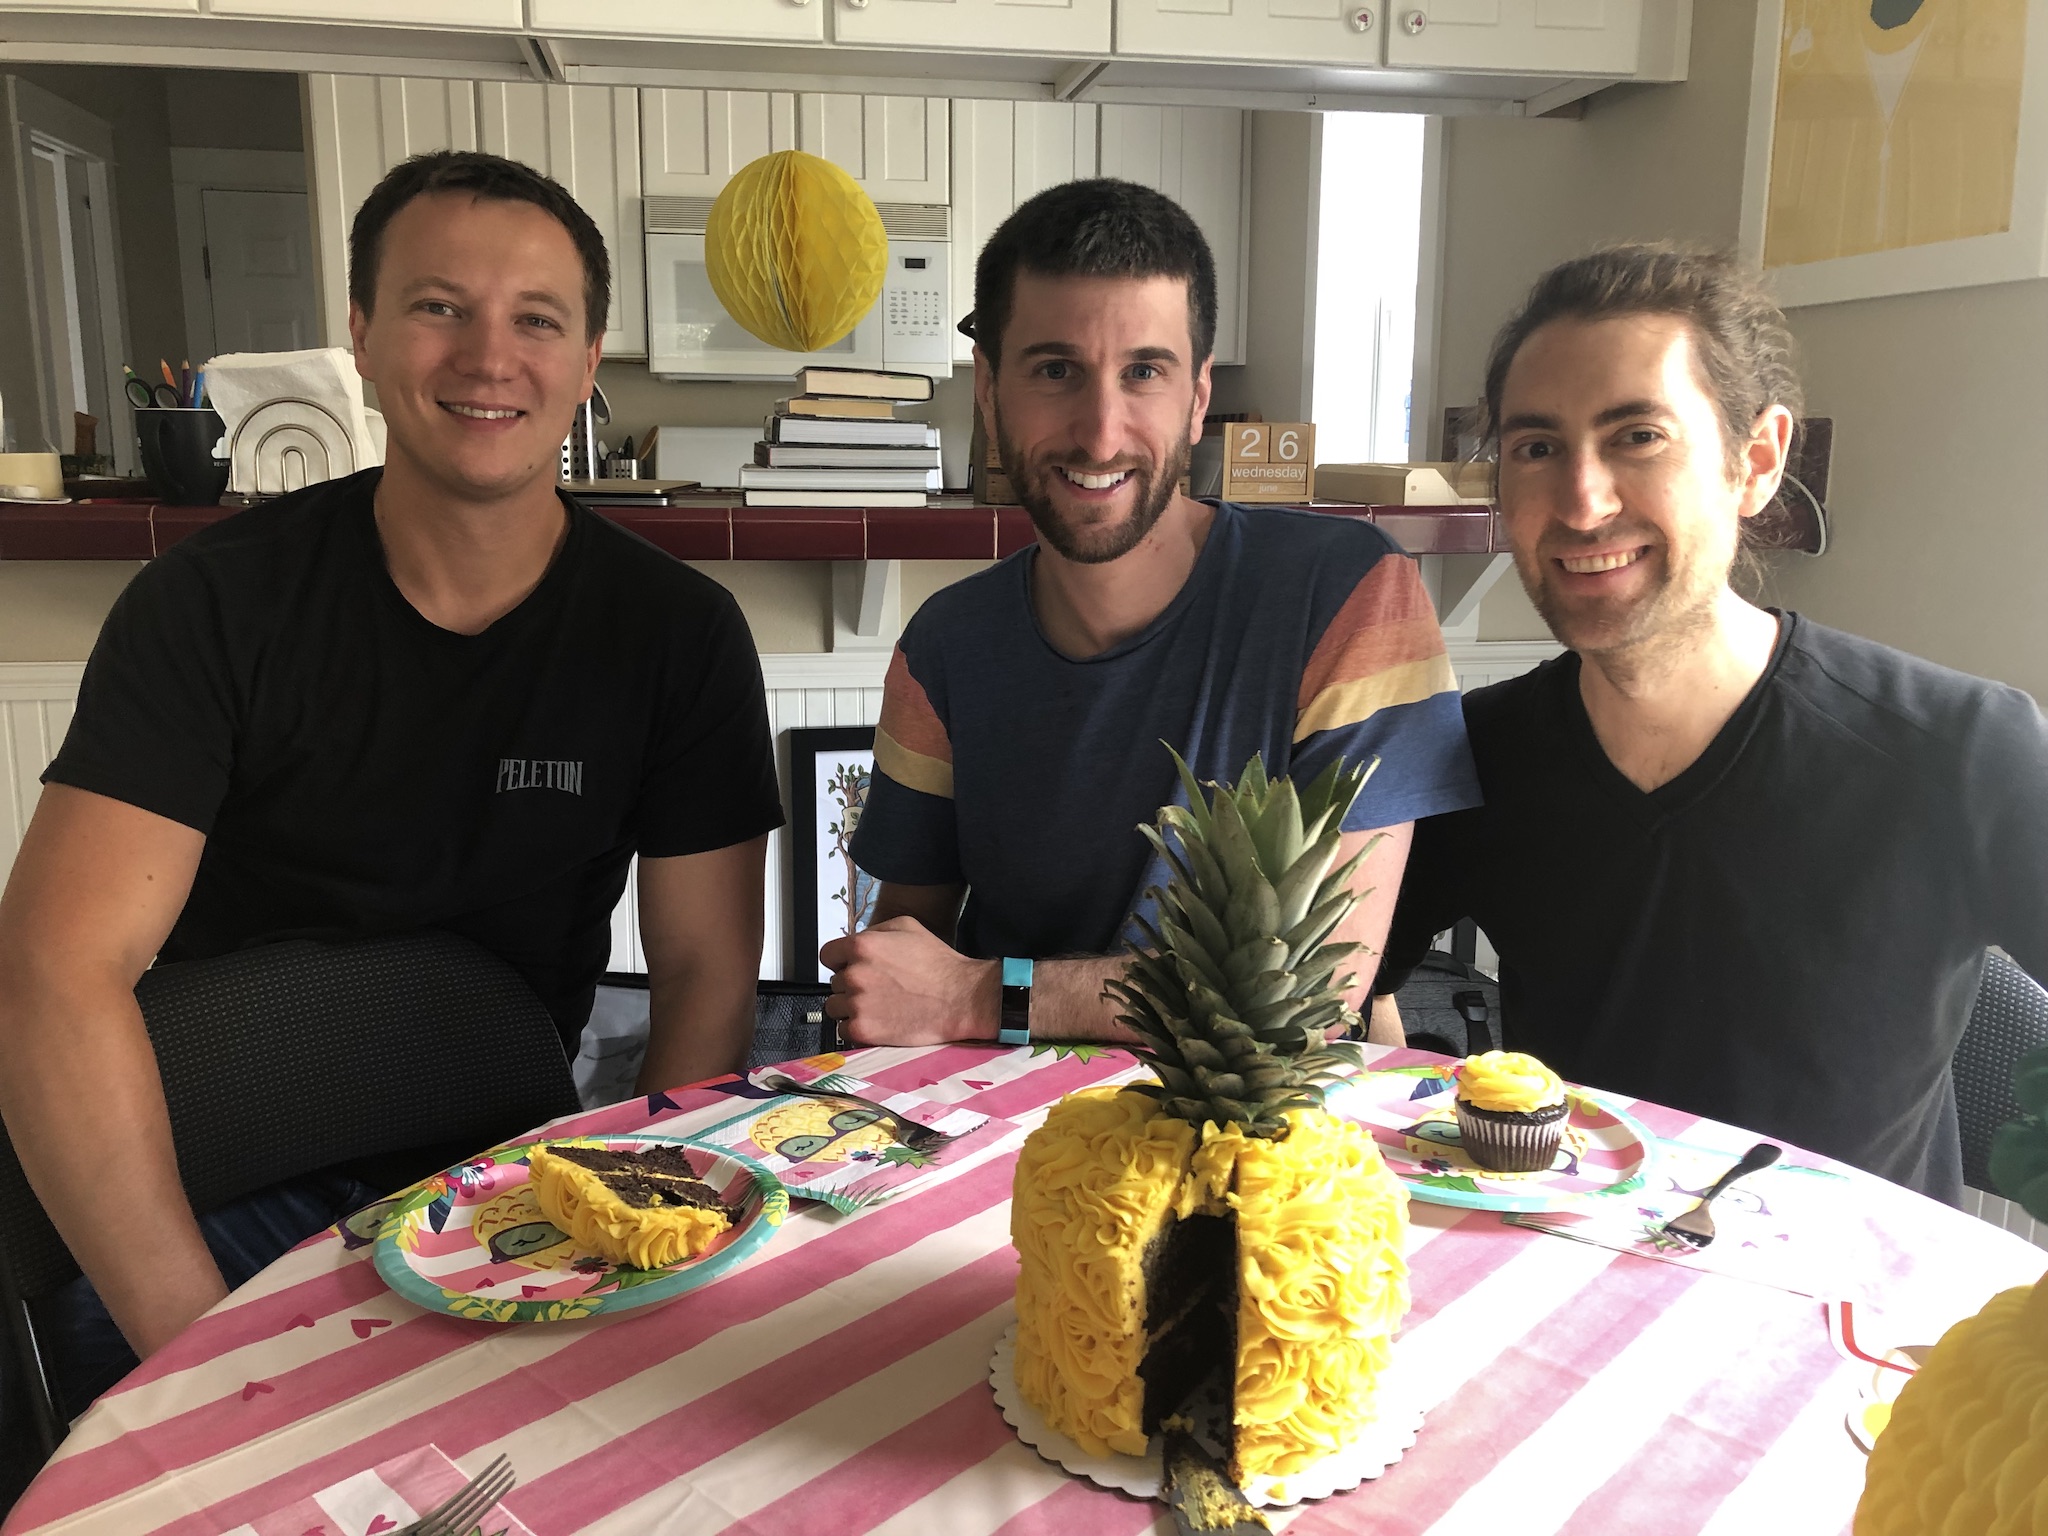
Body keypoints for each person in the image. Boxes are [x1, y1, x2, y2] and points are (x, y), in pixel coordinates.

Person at [0, 151, 783, 1419]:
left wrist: (642, 1237)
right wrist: (199, 1357)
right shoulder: (212, 609)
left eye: (537, 319)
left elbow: (703, 976)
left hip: (505, 1179)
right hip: (214, 1183)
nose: (488, 358)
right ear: (360, 335)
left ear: (589, 361)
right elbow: (53, 970)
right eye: (438, 307)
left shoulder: (675, 638)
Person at [1371, 244, 2048, 1203]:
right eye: (1536, 448)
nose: (1581, 500)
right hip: (1569, 1302)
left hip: (1850, 1326)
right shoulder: (1474, 753)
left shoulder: (1958, 749)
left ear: (1756, 462)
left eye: (1637, 436)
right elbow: (1356, 978)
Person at [824, 179, 1481, 1047]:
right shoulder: (942, 646)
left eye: (1144, 372)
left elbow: (1313, 988)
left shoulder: (1350, 596)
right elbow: (900, 968)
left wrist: (984, 997)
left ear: (1199, 396)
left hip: (1263, 1155)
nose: (1100, 433)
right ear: (989, 389)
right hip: (997, 1145)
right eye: (1056, 370)